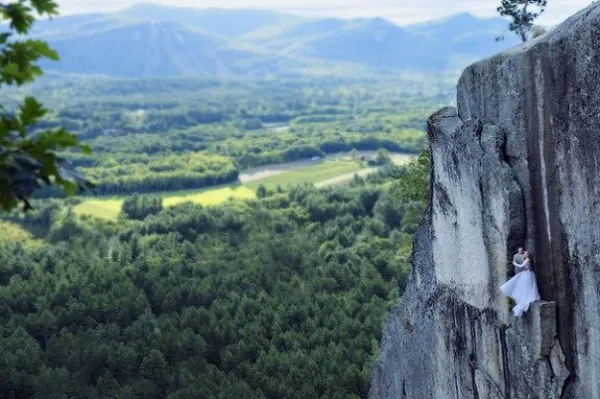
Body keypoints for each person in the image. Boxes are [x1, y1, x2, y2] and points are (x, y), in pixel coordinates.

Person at [500, 251, 541, 317]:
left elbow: (521, 266)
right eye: (524, 253)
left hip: (527, 274)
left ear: (527, 255)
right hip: (528, 274)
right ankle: (525, 296)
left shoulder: (527, 260)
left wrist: (514, 263)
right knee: (525, 286)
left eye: (525, 253)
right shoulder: (527, 260)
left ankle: (525, 298)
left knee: (526, 286)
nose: (524, 254)